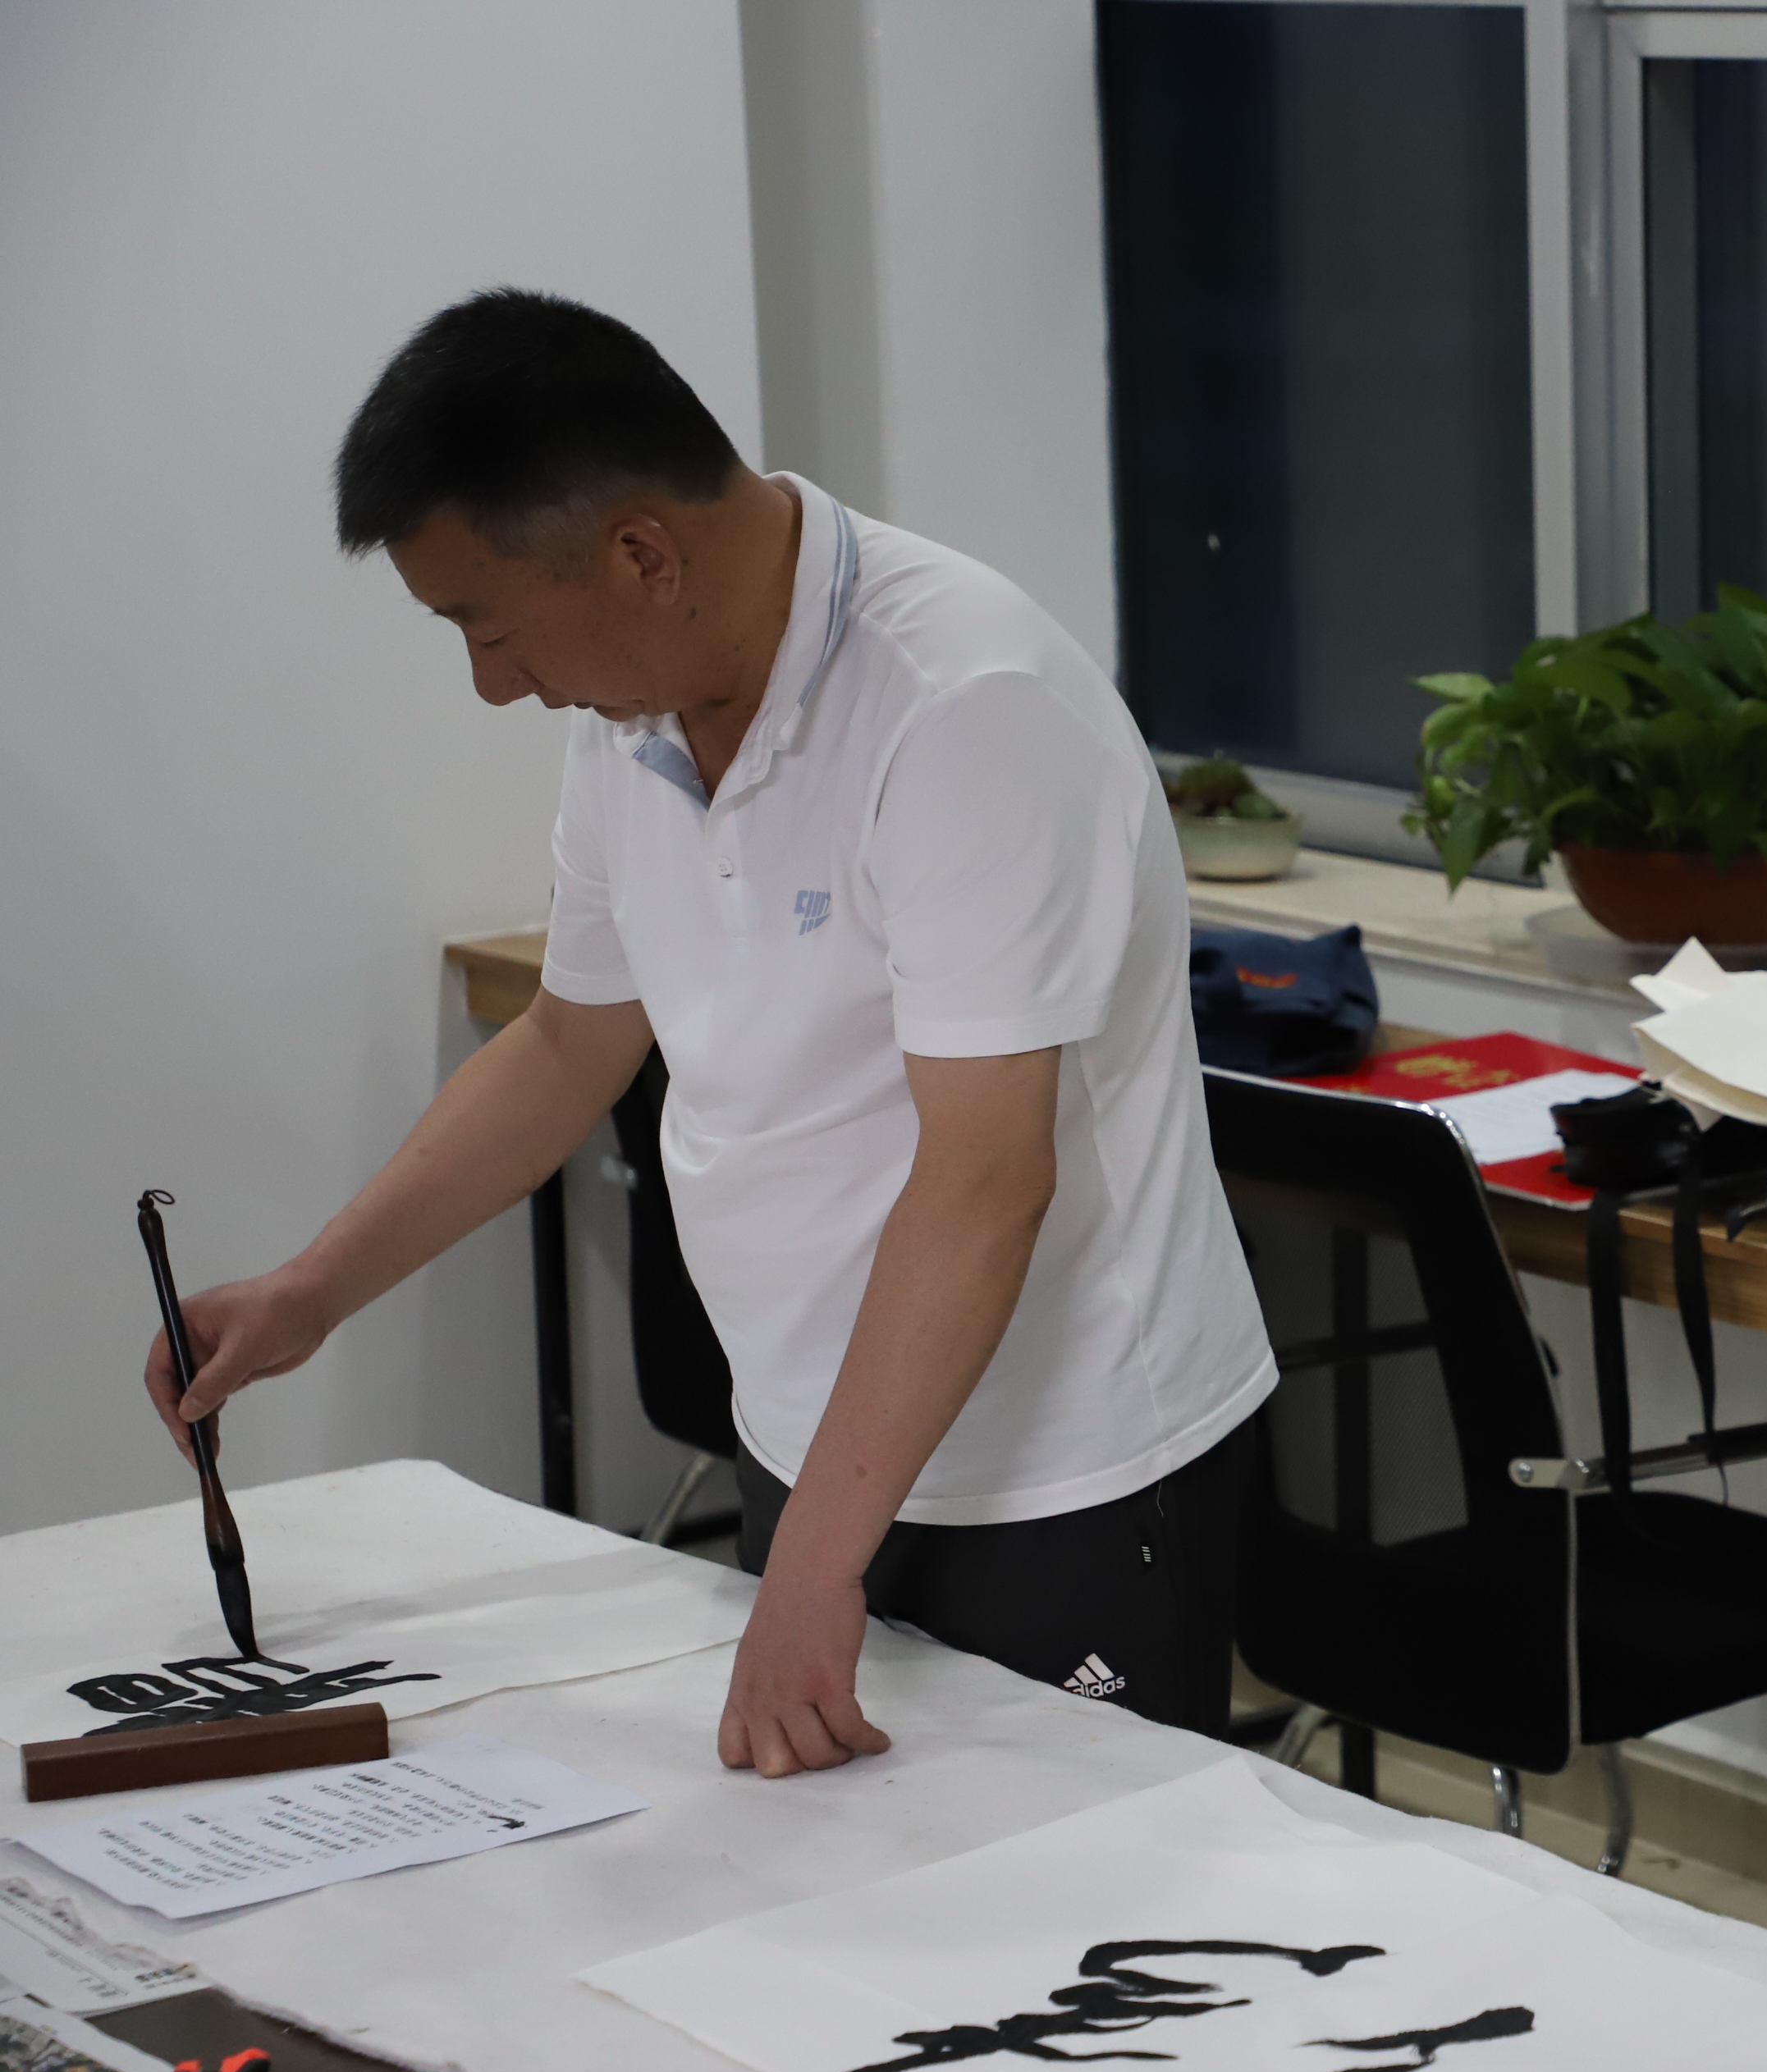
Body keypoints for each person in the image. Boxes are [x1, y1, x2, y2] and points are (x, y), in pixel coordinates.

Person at [145, 290, 1275, 1777]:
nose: (491, 681)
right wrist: (311, 1290)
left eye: (487, 624)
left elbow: (985, 1177)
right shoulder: (631, 713)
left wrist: (813, 1569)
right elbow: (569, 1044)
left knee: (1066, 1899)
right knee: (829, 1886)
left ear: (641, 553)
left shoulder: (966, 706)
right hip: (820, 1444)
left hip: (1058, 1468)